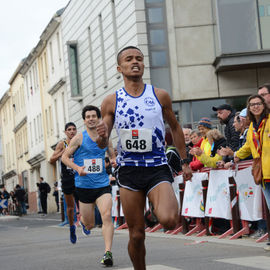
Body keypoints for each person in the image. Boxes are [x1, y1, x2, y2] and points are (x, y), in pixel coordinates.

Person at [95, 46, 193, 270]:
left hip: (157, 166)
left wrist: (185, 161)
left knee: (169, 220)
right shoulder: (112, 101)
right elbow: (104, 141)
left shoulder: (159, 95)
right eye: (129, 59)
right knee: (137, 235)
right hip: (129, 170)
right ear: (120, 68)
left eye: (139, 58)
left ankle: (153, 208)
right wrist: (101, 137)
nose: (135, 62)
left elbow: (176, 128)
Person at [62, 105, 115, 266]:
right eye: (88, 116)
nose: (91, 118)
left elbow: (112, 154)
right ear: (84, 120)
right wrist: (78, 168)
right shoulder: (78, 138)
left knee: (106, 216)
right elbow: (64, 157)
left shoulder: (105, 137)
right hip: (84, 186)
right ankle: (83, 222)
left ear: (98, 119)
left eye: (94, 116)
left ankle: (108, 253)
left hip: (102, 184)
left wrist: (113, 160)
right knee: (90, 224)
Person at [234, 94, 270, 250]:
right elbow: (248, 147)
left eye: (258, 103)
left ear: (264, 105)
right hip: (263, 174)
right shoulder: (251, 129)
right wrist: (235, 156)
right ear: (249, 108)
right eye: (252, 104)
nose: (256, 106)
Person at [49, 122, 78, 244]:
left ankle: (85, 223)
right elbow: (51, 159)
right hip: (67, 178)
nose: (72, 131)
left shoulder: (79, 141)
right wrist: (63, 152)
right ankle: (72, 227)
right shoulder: (62, 143)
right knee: (70, 207)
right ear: (65, 132)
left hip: (79, 175)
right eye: (69, 129)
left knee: (86, 201)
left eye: (73, 129)